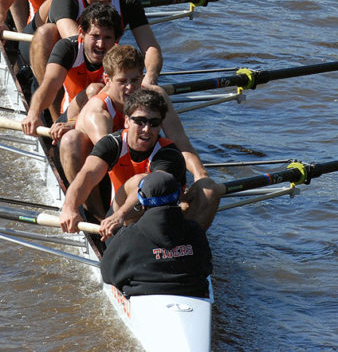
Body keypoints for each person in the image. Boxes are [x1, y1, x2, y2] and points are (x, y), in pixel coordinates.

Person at [53, 45, 216, 224]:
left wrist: (200, 176)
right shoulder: (98, 112)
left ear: (142, 77)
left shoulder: (155, 97)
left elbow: (179, 139)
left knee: (208, 189)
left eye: (135, 80)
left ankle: (190, 243)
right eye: (122, 82)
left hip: (146, 173)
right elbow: (105, 164)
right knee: (72, 140)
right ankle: (98, 217)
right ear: (107, 79)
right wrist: (69, 207)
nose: (130, 88)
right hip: (111, 178)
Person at [59, 89, 218, 239]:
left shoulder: (169, 154)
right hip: (119, 222)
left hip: (154, 219)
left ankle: (186, 247)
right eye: (140, 121)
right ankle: (99, 221)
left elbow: (152, 186)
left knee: (209, 190)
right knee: (139, 181)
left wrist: (121, 214)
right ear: (127, 121)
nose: (147, 129)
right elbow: (87, 176)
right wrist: (69, 207)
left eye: (154, 123)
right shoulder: (112, 144)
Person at [29, 0, 162, 86]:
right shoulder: (67, 0)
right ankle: (50, 106)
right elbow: (78, 44)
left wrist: (150, 77)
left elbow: (150, 47)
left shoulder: (128, 1)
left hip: (95, 57)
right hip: (55, 55)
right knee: (47, 32)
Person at [98, 171, 212, 299]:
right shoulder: (195, 230)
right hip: (193, 294)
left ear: (141, 200)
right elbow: (206, 267)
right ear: (178, 196)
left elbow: (107, 274)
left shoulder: (129, 235)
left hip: (143, 295)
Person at [21, 3, 121, 134]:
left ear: (116, 39)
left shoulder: (120, 59)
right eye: (95, 36)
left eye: (107, 38)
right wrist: (33, 114)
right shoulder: (68, 48)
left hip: (105, 122)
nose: (100, 44)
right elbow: (50, 83)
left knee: (98, 91)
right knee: (94, 90)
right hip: (69, 119)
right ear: (81, 33)